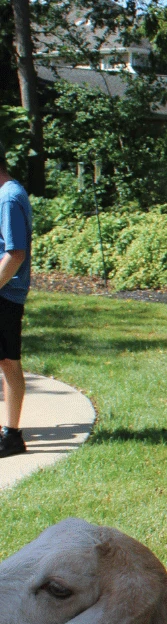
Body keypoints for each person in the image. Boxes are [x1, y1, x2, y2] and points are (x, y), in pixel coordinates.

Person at [0, 148, 32, 458]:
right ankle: (10, 434)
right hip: (5, 291)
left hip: (5, 293)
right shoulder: (7, 192)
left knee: (9, 362)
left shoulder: (8, 198)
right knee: (7, 361)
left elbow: (16, 253)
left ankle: (11, 436)